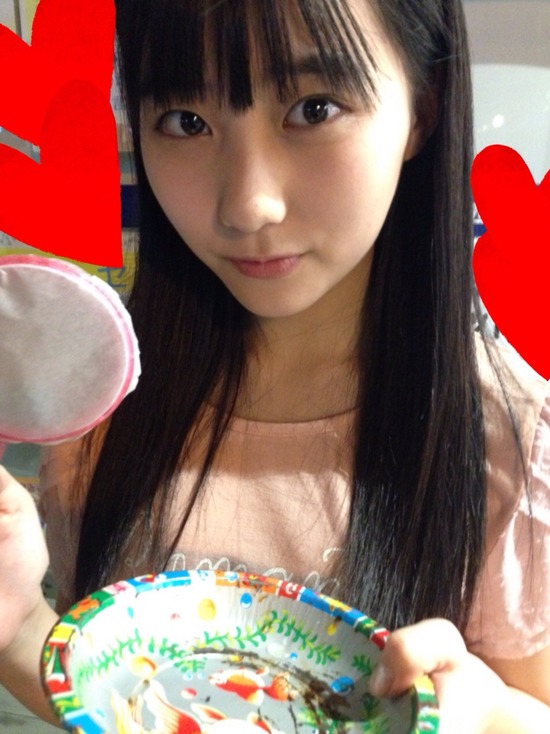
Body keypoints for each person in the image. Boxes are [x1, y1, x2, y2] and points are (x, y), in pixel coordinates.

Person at [0, 0, 549, 731]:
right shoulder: (104, 401)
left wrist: (487, 717)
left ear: (423, 107)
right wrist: (19, 623)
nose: (247, 206)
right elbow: (108, 693)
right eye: (186, 122)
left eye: (313, 108)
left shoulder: (510, 447)